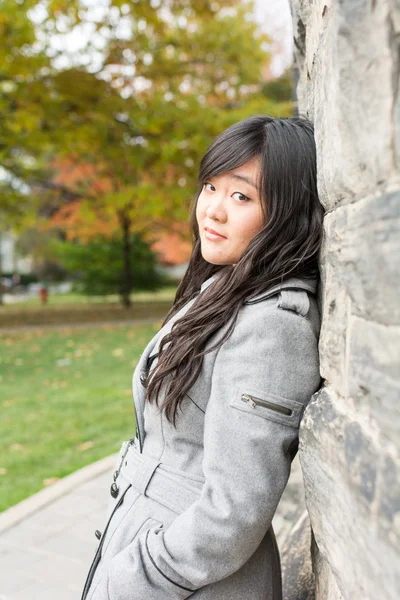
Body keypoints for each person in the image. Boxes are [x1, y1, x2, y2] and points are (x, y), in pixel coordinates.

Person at [81, 115, 325, 600]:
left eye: (241, 196)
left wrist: (136, 576)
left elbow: (233, 512)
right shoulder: (224, 290)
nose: (212, 210)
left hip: (189, 580)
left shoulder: (272, 326)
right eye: (210, 186)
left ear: (286, 212)